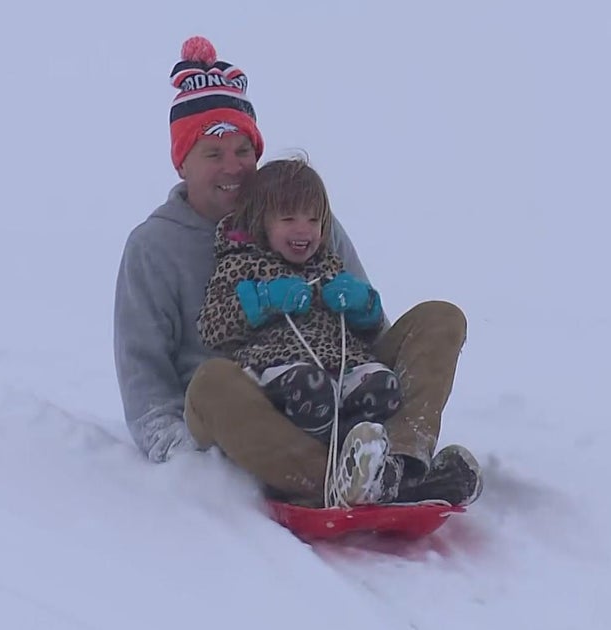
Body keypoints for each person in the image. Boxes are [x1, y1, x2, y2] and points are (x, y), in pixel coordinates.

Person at [113, 35, 482, 508]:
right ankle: (330, 482)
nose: (234, 167)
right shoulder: (153, 247)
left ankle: (402, 462)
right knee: (212, 381)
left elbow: (370, 334)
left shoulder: (305, 222)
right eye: (213, 154)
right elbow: (144, 385)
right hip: (245, 416)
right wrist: (188, 463)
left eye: (243, 150)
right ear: (183, 162)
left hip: (334, 388)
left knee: (440, 317)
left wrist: (363, 310)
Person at [197, 156, 405, 504]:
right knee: (310, 389)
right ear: (262, 221)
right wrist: (263, 301)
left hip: (342, 366)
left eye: (313, 220)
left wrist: (363, 307)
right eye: (288, 218)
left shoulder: (329, 263)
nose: (303, 230)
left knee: (382, 386)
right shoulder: (239, 264)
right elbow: (212, 327)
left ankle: (368, 457)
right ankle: (324, 469)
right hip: (277, 368)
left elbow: (370, 330)